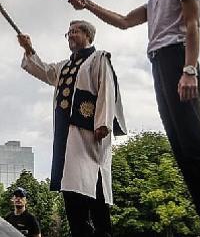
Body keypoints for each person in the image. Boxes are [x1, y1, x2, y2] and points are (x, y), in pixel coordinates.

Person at [68, 0, 200, 236]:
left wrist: (189, 69)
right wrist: (88, 4)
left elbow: (192, 24)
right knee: (182, 148)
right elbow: (123, 21)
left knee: (195, 142)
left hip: (176, 61)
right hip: (158, 63)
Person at [18, 20, 126, 237]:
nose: (70, 36)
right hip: (67, 139)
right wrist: (29, 49)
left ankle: (103, 231)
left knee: (94, 188)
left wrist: (103, 123)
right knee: (71, 187)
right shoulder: (64, 66)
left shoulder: (99, 59)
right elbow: (45, 71)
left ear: (88, 35)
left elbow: (107, 89)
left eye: (75, 32)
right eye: (67, 33)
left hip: (90, 135)